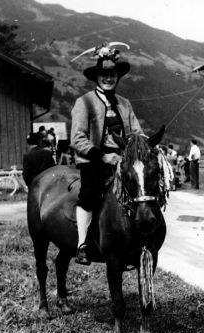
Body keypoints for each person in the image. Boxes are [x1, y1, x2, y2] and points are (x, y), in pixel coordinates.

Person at [70, 43, 143, 265]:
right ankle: (82, 244)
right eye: (104, 75)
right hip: (94, 159)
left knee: (141, 190)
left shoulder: (124, 104)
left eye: (112, 75)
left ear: (117, 77)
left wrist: (143, 145)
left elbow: (136, 132)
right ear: (97, 77)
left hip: (121, 159)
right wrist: (102, 156)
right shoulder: (84, 102)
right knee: (89, 193)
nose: (108, 78)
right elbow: (77, 139)